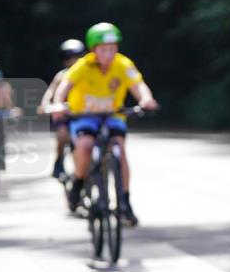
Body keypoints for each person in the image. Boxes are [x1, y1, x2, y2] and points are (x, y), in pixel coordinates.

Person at [52, 22, 158, 225]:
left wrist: (145, 99)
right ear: (94, 50)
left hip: (112, 115)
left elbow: (138, 85)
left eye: (113, 48)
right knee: (84, 145)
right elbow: (65, 85)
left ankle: (125, 201)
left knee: (119, 148)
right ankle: (79, 182)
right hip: (85, 116)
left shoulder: (123, 64)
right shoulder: (83, 65)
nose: (109, 54)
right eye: (104, 49)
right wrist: (58, 104)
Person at [38, 39, 86, 179]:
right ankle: (59, 162)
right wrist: (45, 104)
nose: (73, 60)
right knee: (62, 134)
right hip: (65, 113)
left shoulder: (87, 74)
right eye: (69, 57)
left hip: (84, 113)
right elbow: (50, 91)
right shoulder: (61, 75)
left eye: (77, 56)